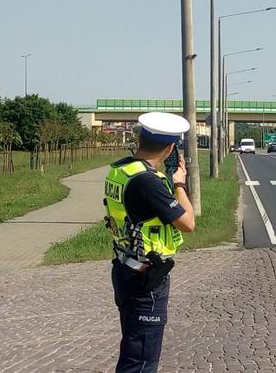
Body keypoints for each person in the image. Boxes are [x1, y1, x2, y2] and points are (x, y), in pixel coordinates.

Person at [103, 112, 195, 373]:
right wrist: (179, 184)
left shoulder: (122, 170)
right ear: (170, 148)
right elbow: (188, 223)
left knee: (133, 349)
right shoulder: (148, 181)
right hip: (145, 279)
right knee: (141, 360)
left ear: (140, 138)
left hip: (125, 267)